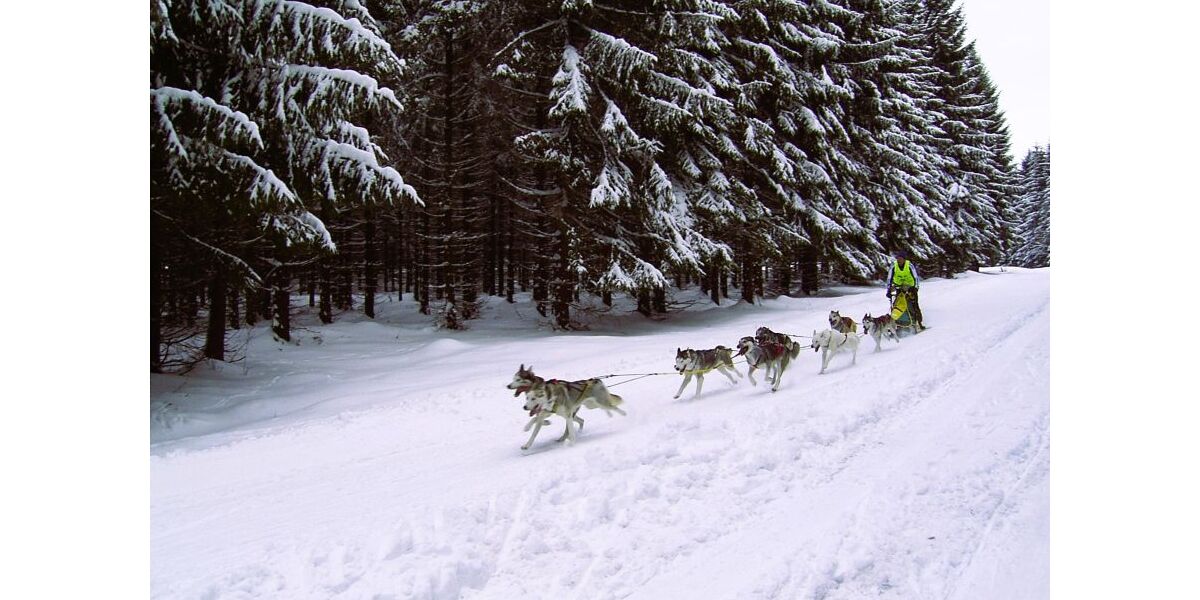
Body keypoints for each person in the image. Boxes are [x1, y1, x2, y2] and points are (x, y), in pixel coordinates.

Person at [886, 249, 926, 330]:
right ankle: (898, 323)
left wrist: (916, 288)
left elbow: (915, 277)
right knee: (897, 305)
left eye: (901, 258)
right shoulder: (894, 266)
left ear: (904, 259)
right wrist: (888, 290)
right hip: (898, 287)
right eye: (898, 258)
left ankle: (919, 323)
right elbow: (889, 278)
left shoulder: (909, 265)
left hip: (910, 287)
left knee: (914, 305)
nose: (899, 260)